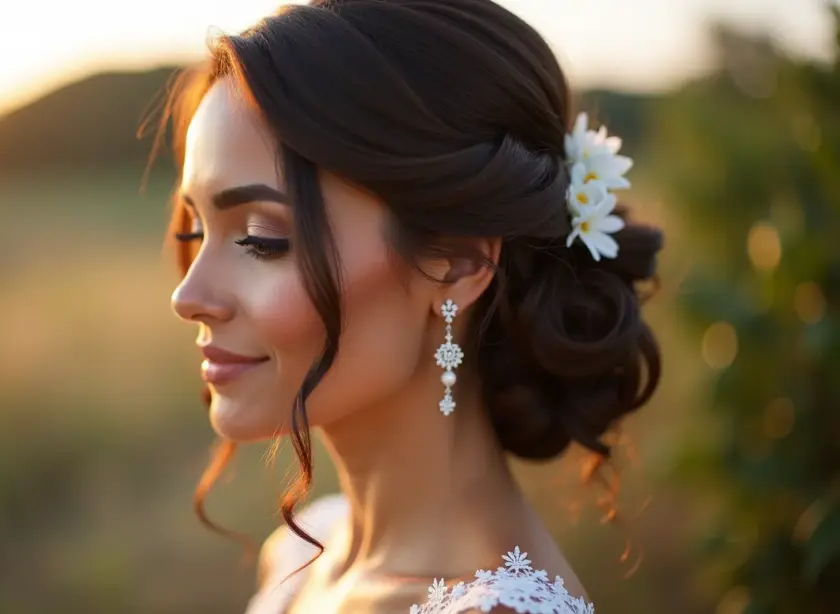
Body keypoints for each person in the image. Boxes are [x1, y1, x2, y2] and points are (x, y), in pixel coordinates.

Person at [147, 0, 663, 611]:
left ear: (460, 263)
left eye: (263, 238)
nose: (188, 297)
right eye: (195, 232)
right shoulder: (305, 551)